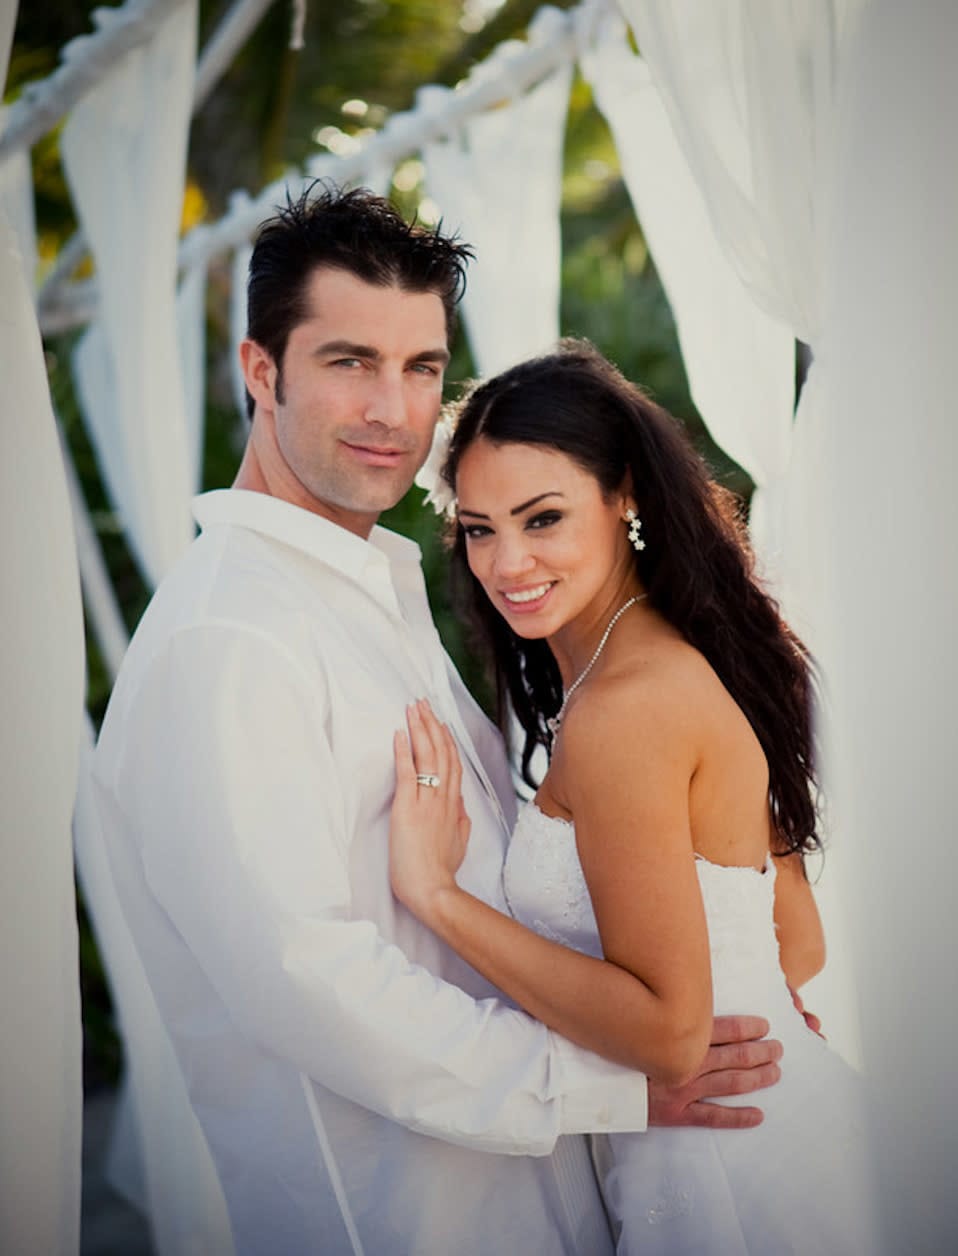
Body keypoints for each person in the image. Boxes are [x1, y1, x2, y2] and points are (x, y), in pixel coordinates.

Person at [91, 186, 783, 1255]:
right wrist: (602, 1085)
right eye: (349, 361)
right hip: (402, 1220)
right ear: (260, 370)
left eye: (421, 367)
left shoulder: (374, 593)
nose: (394, 409)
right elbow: (309, 975)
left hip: (541, 1198)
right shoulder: (228, 638)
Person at [389, 340, 878, 1254]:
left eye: (542, 519)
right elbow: (797, 943)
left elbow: (665, 1035)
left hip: (728, 1167)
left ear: (624, 499)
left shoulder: (623, 708)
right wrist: (747, 995)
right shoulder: (669, 658)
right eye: (481, 527)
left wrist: (436, 899)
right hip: (764, 1121)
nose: (505, 563)